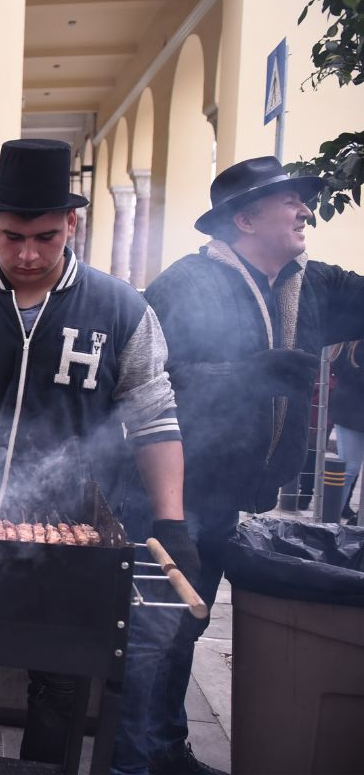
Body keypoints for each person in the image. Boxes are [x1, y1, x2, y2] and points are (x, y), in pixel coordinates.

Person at [0, 139, 198, 771]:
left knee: (61, 689)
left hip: (74, 534)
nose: (28, 254)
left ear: (72, 226)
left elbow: (154, 419)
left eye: (46, 237)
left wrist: (172, 522)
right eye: (12, 238)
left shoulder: (120, 309)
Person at [143, 156, 364, 774]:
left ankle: (154, 745)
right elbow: (150, 384)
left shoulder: (313, 283)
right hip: (178, 488)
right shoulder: (185, 285)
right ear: (244, 218)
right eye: (290, 200)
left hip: (240, 488)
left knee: (191, 618)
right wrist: (249, 373)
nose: (305, 210)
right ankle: (154, 751)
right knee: (171, 627)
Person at [331, 341, 364, 524]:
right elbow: (341, 369)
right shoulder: (350, 338)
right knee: (349, 469)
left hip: (350, 409)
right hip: (350, 412)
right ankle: (331, 524)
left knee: (349, 469)